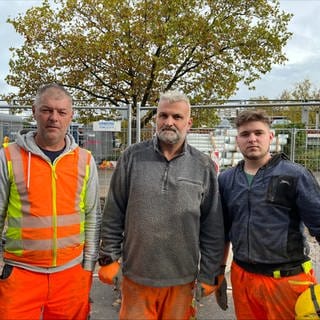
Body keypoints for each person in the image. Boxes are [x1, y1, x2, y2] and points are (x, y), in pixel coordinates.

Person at [98, 90, 225, 319]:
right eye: (163, 115)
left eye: (177, 117)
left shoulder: (203, 166)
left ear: (189, 122)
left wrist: (210, 273)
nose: (169, 122)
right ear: (156, 119)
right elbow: (113, 212)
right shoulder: (132, 158)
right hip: (136, 277)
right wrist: (108, 257)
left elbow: (212, 227)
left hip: (182, 281)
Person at [0, 83, 101, 320]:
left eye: (61, 112)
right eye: (47, 110)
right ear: (34, 111)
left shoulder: (85, 160)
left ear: (70, 116)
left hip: (71, 273)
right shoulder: (8, 156)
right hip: (21, 274)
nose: (54, 118)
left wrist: (88, 267)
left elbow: (93, 216)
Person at [218, 109, 320, 320]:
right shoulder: (226, 180)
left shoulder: (295, 175)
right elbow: (222, 232)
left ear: (271, 137)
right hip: (243, 278)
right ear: (237, 140)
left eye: (259, 133)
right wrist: (219, 272)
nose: (252, 139)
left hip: (288, 281)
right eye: (245, 134)